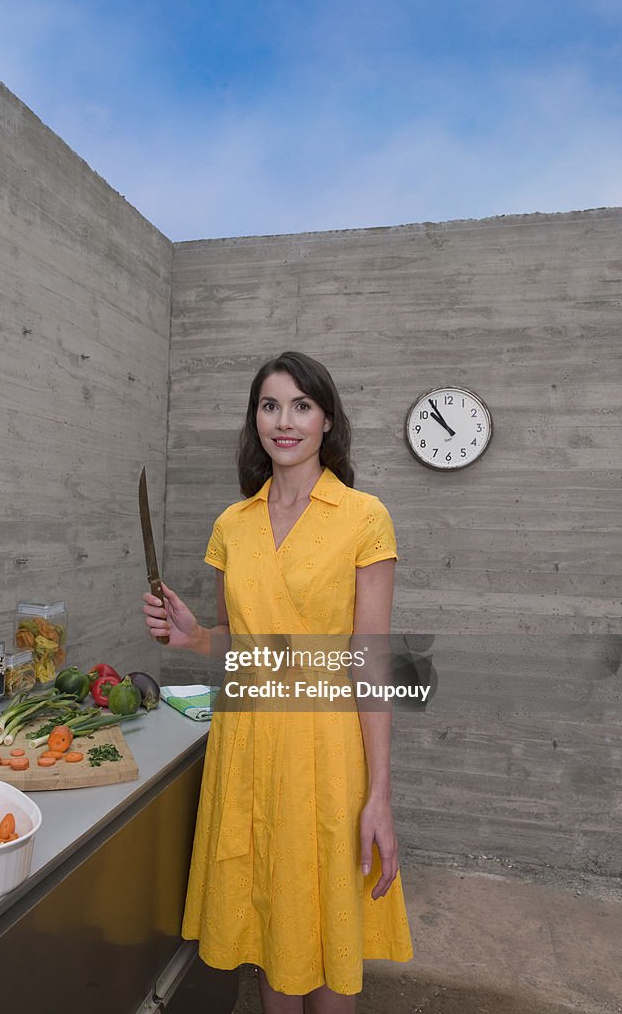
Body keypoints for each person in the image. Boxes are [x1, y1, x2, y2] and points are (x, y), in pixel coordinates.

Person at [142, 351, 413, 1014]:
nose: (283, 421)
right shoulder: (231, 526)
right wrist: (195, 638)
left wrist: (378, 796)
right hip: (244, 748)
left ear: (326, 422)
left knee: (324, 940)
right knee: (267, 925)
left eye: (300, 406)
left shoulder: (361, 516)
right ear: (254, 420)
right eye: (269, 405)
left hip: (323, 754)